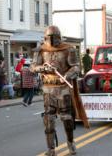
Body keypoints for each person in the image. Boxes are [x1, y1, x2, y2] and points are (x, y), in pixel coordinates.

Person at [30, 25, 80, 156]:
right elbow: (33, 67)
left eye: (54, 38)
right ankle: (51, 148)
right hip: (48, 88)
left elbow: (75, 67)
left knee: (67, 118)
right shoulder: (41, 50)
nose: (52, 41)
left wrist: (67, 76)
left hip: (63, 88)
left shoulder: (68, 49)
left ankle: (70, 142)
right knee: (48, 119)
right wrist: (44, 68)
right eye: (49, 38)